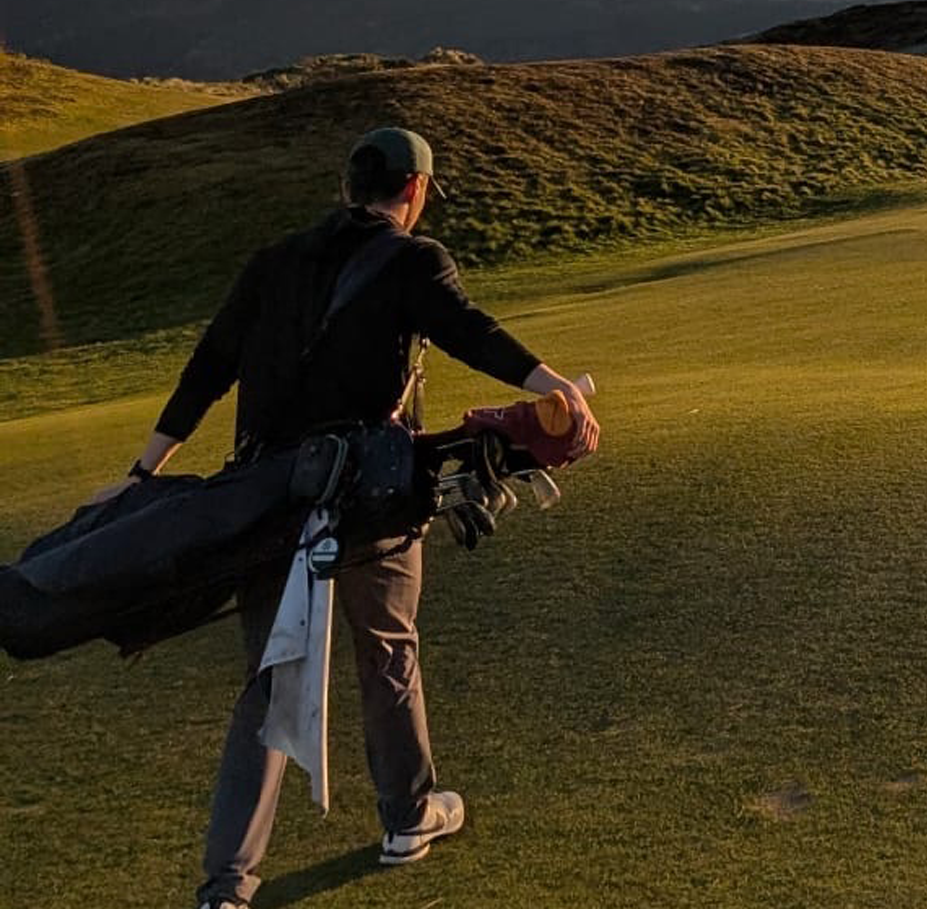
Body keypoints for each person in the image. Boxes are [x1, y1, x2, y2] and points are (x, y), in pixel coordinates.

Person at [102, 128, 600, 909]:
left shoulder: (271, 262)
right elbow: (467, 329)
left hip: (267, 495)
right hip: (371, 496)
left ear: (347, 187)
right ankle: (407, 815)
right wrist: (556, 387)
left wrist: (144, 470)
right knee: (388, 648)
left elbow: (209, 367)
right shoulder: (414, 257)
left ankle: (226, 888)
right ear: (415, 190)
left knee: (272, 679)